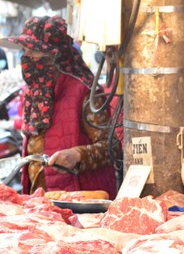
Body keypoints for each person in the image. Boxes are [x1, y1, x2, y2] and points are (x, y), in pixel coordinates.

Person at [0, 16, 118, 196]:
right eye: (24, 50)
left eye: (34, 52)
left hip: (80, 200)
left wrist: (78, 155)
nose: (27, 58)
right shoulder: (33, 92)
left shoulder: (84, 92)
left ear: (55, 55)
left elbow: (112, 147)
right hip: (40, 201)